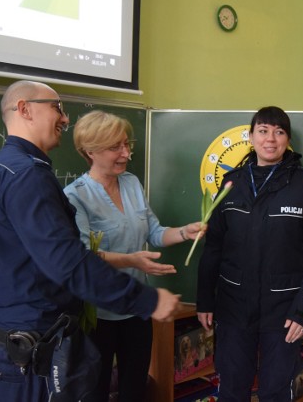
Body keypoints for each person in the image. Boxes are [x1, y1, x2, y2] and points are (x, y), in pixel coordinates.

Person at [0, 80, 182, 402]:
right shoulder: (27, 176)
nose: (65, 119)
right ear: (25, 109)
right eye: (57, 108)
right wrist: (148, 301)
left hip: (12, 344)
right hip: (28, 352)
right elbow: (70, 263)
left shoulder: (5, 167)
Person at [63, 110, 206, 402]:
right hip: (98, 314)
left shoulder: (130, 183)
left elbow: (154, 231)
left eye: (128, 144)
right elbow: (83, 256)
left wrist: (183, 232)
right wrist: (131, 260)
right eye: (116, 147)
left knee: (135, 389)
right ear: (90, 151)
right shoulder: (75, 196)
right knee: (95, 391)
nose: (126, 153)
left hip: (137, 309)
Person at [196, 106, 303, 401]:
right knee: (232, 388)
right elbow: (214, 246)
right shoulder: (231, 183)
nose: (270, 139)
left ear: (287, 139)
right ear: (250, 136)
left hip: (283, 311)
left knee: (275, 390)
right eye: (263, 130)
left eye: (279, 131)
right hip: (233, 306)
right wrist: (205, 298)